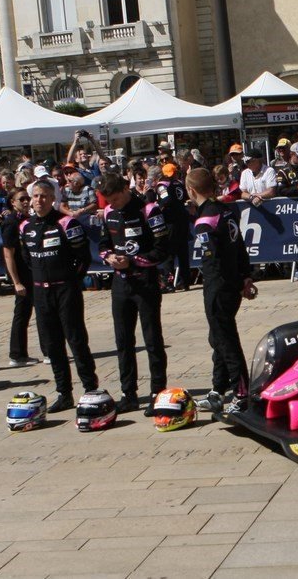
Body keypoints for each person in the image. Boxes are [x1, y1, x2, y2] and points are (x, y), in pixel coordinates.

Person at [20, 180, 98, 413]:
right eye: (36, 196)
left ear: (53, 199)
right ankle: (64, 393)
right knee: (52, 345)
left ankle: (90, 389)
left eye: (44, 196)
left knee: (76, 341)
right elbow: (27, 258)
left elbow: (83, 257)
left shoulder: (66, 223)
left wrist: (71, 281)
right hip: (41, 292)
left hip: (66, 290)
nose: (39, 200)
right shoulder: (25, 226)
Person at [98, 173, 170, 414]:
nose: (113, 204)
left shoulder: (149, 210)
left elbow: (162, 250)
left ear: (125, 190)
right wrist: (109, 257)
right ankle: (128, 393)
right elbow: (102, 245)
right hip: (120, 284)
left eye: (116, 199)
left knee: (152, 339)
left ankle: (158, 391)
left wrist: (133, 261)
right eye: (109, 201)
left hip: (145, 282)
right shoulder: (108, 212)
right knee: (123, 341)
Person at [186, 168, 255, 416]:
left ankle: (242, 394)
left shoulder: (205, 221)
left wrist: (232, 283)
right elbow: (240, 247)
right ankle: (217, 390)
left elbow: (214, 261)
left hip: (219, 286)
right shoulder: (225, 211)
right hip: (232, 283)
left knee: (226, 342)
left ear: (191, 190)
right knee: (217, 338)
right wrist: (245, 277)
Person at [1, 188, 39, 367]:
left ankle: (24, 353)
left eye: (27, 198)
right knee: (22, 313)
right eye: (21, 199)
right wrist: (16, 282)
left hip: (32, 272)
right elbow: (8, 254)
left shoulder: (27, 219)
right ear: (12, 202)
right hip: (22, 276)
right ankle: (17, 354)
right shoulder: (11, 222)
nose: (26, 201)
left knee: (35, 312)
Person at [155, 162, 191, 292]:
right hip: (183, 221)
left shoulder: (162, 185)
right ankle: (185, 282)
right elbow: (186, 198)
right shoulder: (179, 184)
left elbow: (166, 200)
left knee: (169, 253)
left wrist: (159, 207)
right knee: (183, 253)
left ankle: (168, 283)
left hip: (171, 222)